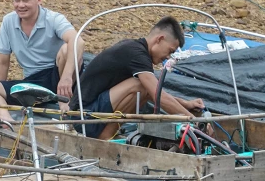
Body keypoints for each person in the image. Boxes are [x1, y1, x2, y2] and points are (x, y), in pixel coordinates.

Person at [70, 16, 205, 140]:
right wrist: (195, 123)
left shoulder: (137, 50)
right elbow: (159, 96)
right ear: (159, 39)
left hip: (93, 112)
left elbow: (156, 94)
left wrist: (185, 104)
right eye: (170, 51)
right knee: (141, 86)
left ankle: (108, 134)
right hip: (84, 117)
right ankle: (105, 138)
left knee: (145, 89)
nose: (168, 57)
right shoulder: (137, 54)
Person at [0, 0, 84, 121]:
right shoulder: (8, 21)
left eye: (25, 0)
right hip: (33, 81)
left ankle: (65, 104)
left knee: (67, 49)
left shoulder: (54, 19)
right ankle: (8, 123)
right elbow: (2, 62)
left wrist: (66, 77)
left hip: (58, 74)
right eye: (16, 0)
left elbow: (78, 41)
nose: (20, 5)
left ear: (39, 0)